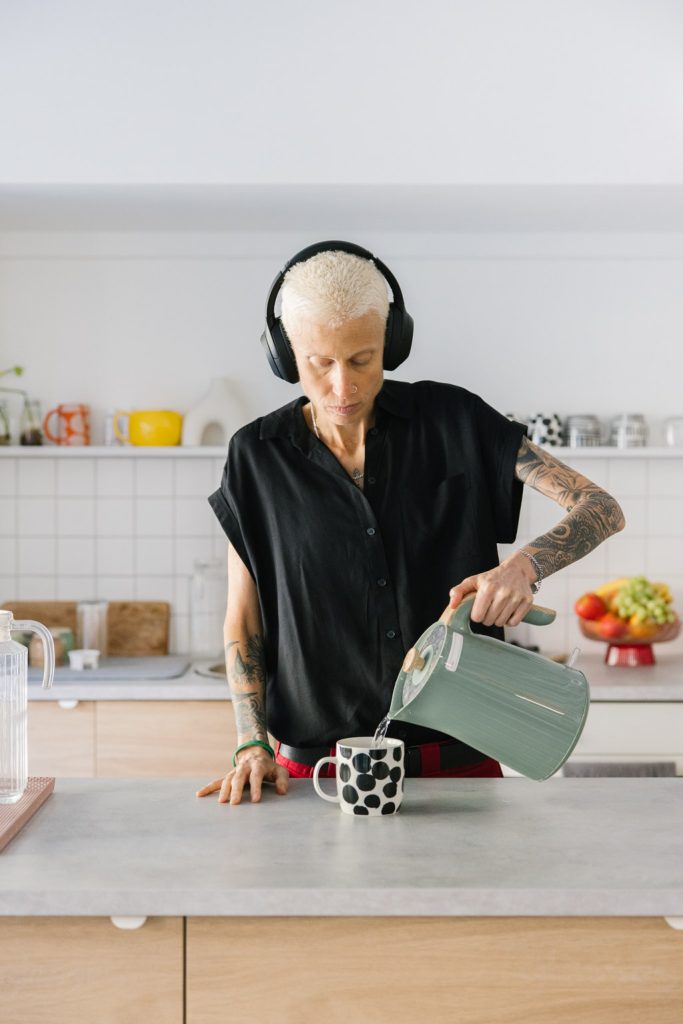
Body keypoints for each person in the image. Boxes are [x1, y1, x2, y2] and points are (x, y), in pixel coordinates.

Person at [197, 241, 625, 806]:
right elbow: (244, 618)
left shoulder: (457, 422)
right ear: (284, 353)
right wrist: (249, 743)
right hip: (313, 778)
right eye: (318, 363)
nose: (342, 387)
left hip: (461, 766)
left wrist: (524, 568)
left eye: (361, 359)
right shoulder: (255, 456)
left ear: (392, 345)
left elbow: (601, 508)